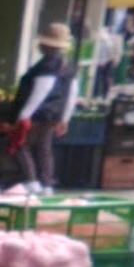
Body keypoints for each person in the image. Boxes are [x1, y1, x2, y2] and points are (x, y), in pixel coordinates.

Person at [10, 23, 79, 194]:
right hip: (54, 114)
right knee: (44, 148)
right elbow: (72, 93)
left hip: (39, 115)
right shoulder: (68, 65)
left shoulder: (48, 65)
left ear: (46, 45)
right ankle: (47, 183)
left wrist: (25, 114)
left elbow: (42, 90)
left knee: (21, 145)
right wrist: (65, 118)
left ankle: (32, 181)